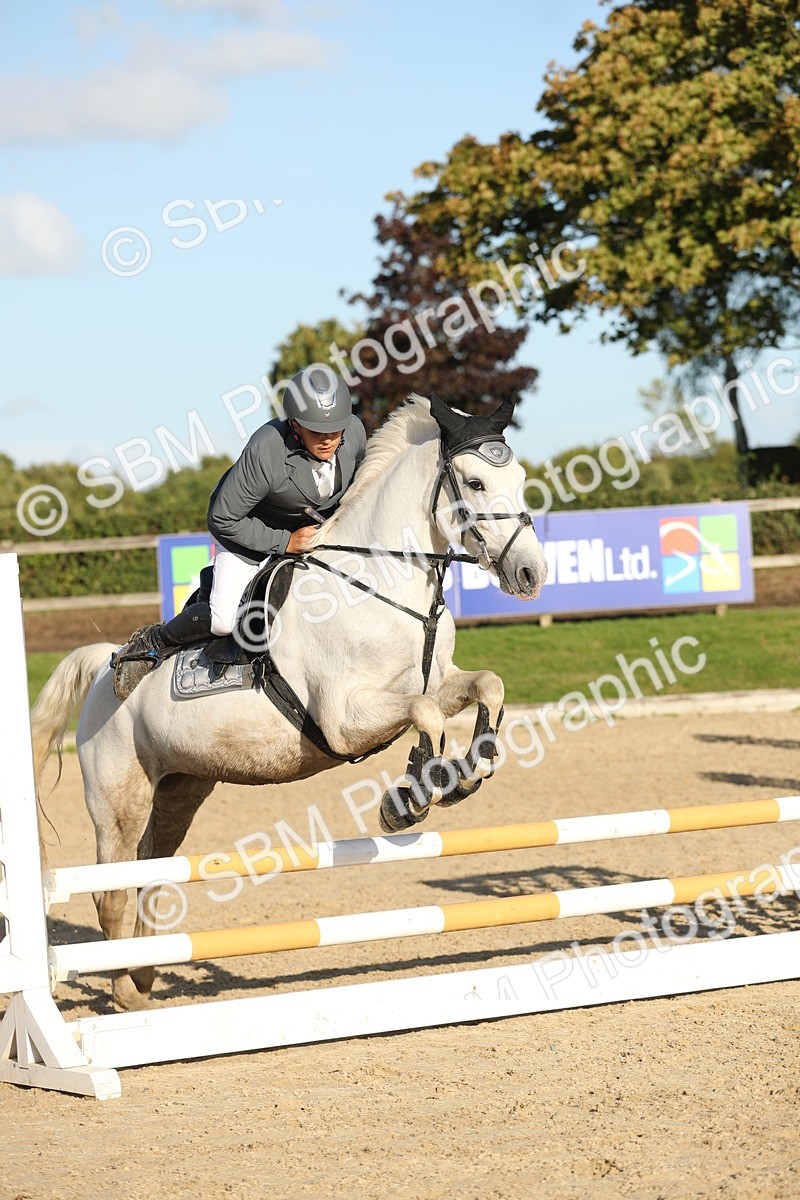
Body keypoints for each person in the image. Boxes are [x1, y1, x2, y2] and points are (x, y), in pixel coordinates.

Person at [112, 366, 366, 700]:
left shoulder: (355, 434)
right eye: (316, 430)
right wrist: (285, 542)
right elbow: (222, 518)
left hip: (311, 532)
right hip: (248, 530)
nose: (328, 438)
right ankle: (152, 642)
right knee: (223, 621)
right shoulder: (265, 451)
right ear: (294, 425)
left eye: (334, 428)